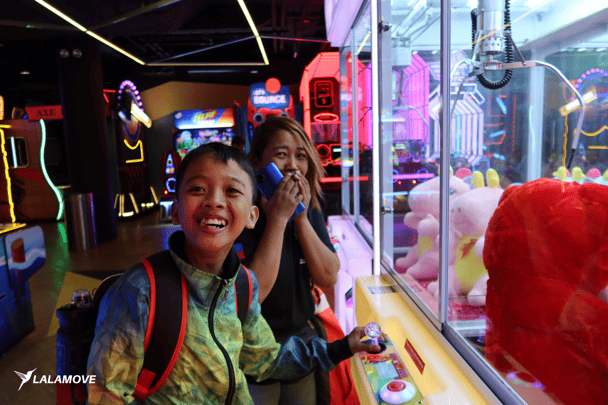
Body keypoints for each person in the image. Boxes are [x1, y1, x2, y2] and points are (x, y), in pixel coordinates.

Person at [86, 142, 382, 404]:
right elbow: (105, 393)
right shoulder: (140, 290)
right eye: (197, 189)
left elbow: (265, 360)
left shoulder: (243, 284)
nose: (214, 201)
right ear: (175, 210)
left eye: (232, 191)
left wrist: (342, 346)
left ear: (252, 216)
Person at [235, 115, 341, 404]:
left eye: (301, 156)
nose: (293, 165)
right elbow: (251, 297)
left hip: (300, 345)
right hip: (252, 351)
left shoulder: (310, 209)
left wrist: (302, 219)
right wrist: (279, 218)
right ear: (257, 162)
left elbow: (328, 275)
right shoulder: (245, 214)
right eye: (281, 154)